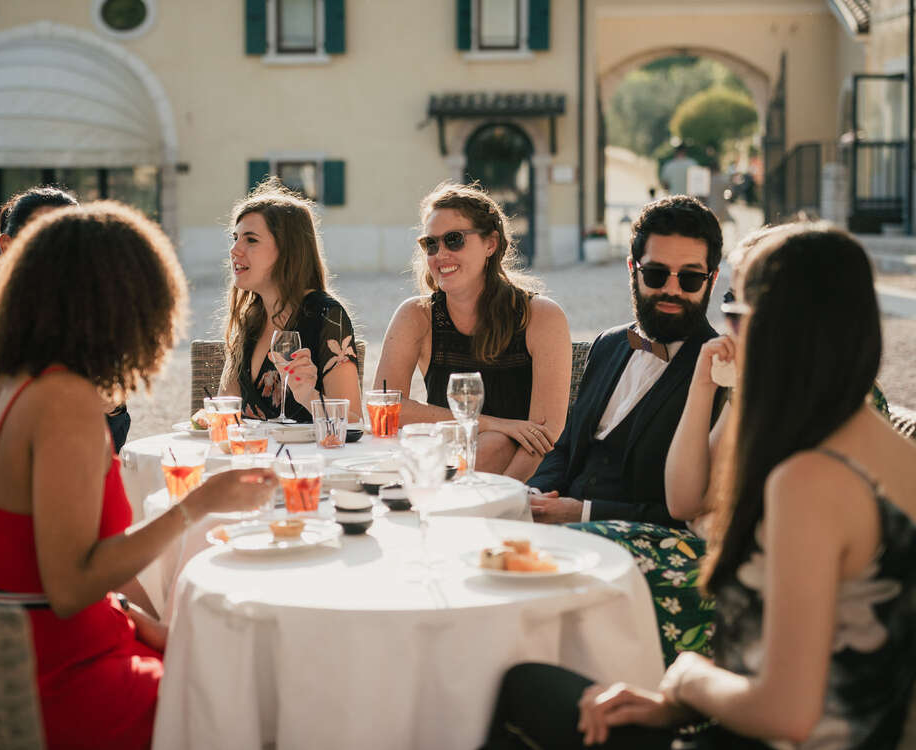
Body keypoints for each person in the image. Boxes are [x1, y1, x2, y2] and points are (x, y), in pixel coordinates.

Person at [484, 224, 916, 749]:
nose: (725, 327)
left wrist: (685, 680)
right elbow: (687, 501)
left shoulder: (809, 478)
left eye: (736, 308)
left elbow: (788, 713)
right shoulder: (885, 452)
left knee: (516, 689)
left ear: (782, 325)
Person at [0, 201, 277, 749]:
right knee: (248, 703)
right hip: (56, 679)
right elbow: (71, 586)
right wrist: (195, 505)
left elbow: (32, 559)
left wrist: (134, 617)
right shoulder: (62, 401)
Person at [0, 187, 130, 557]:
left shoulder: (83, 324)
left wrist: (111, 407)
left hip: (61, 499)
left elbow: (109, 442)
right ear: (6, 245)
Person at [529, 195, 727, 525]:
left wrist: (584, 513)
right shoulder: (607, 344)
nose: (672, 290)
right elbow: (566, 447)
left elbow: (698, 509)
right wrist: (534, 495)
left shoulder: (720, 372)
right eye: (656, 274)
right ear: (632, 269)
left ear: (713, 279)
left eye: (691, 278)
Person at [374, 182, 571, 481]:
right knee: (494, 440)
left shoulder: (541, 316)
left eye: (454, 240)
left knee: (497, 444)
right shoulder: (417, 315)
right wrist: (493, 424)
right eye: (431, 244)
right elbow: (386, 405)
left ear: (490, 244)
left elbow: (543, 437)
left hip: (529, 472)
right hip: (447, 467)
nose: (440, 254)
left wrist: (503, 497)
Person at [217, 179, 361, 422]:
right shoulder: (251, 318)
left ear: (288, 250)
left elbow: (354, 420)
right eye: (235, 238)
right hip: (254, 457)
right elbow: (225, 409)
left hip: (309, 459)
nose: (235, 250)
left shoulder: (326, 316)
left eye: (251, 239)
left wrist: (307, 394)